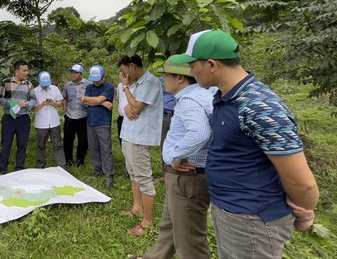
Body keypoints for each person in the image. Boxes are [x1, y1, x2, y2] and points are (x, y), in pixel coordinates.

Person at [172, 29, 319, 258]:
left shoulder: (258, 106)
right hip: (230, 211)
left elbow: (304, 184)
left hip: (252, 219)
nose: (190, 70)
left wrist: (304, 212)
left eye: (193, 64)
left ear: (211, 64)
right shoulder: (224, 97)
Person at [141, 56, 213, 259]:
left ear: (180, 78)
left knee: (190, 240)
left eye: (166, 76)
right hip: (184, 177)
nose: (164, 81)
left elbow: (199, 133)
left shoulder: (189, 101)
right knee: (170, 226)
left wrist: (175, 155)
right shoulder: (203, 94)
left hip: (188, 177)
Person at [119, 54, 163, 236]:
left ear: (132, 66)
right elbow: (128, 107)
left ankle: (147, 221)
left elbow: (136, 107)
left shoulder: (150, 82)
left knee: (144, 178)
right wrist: (129, 103)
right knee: (133, 174)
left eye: (124, 71)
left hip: (140, 136)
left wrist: (126, 87)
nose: (123, 75)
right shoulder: (136, 83)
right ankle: (136, 208)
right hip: (129, 133)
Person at [0, 60, 36, 175]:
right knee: (6, 144)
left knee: (22, 144)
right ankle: (2, 169)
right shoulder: (6, 82)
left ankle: (19, 169)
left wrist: (27, 105)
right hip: (9, 118)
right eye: (24, 70)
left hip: (23, 118)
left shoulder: (29, 84)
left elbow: (34, 99)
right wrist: (13, 103)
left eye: (27, 70)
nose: (27, 73)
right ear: (17, 71)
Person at [81, 65, 115, 190]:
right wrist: (101, 102)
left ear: (103, 77)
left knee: (105, 149)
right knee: (93, 147)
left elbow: (92, 100)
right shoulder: (89, 87)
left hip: (103, 122)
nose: (95, 82)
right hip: (90, 121)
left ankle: (109, 175)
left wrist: (93, 100)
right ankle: (98, 170)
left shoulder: (109, 87)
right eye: (93, 79)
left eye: (98, 79)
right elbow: (84, 101)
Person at [33, 71, 66, 169]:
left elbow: (60, 102)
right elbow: (33, 109)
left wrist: (53, 103)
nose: (45, 86)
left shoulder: (54, 89)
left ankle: (62, 166)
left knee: (57, 144)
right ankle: (41, 165)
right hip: (41, 123)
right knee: (41, 145)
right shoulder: (35, 91)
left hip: (54, 121)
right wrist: (42, 104)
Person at [61, 64, 90, 167]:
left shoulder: (88, 84)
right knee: (68, 140)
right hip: (70, 116)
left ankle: (80, 161)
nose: (73, 74)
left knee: (83, 139)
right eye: (72, 72)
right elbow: (64, 98)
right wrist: (64, 110)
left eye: (75, 73)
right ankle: (68, 160)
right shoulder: (67, 85)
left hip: (83, 116)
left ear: (81, 74)